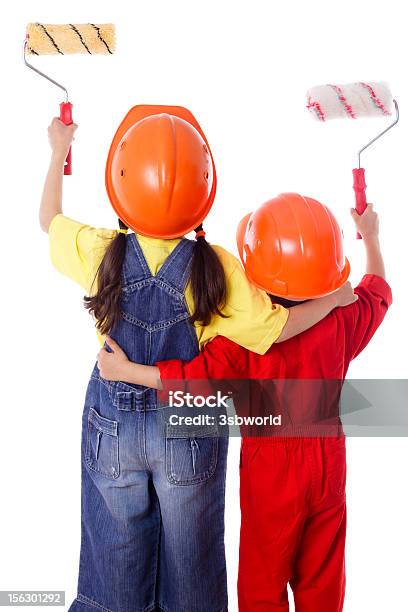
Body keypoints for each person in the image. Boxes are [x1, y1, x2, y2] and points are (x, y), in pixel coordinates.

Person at [42, 110, 356, 612]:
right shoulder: (219, 269)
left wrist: (59, 150)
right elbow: (277, 328)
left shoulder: (101, 251)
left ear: (123, 186)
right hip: (188, 426)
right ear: (203, 193)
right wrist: (331, 300)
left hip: (113, 424)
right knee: (192, 563)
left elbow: (49, 221)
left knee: (114, 555)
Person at [97, 194, 391, 611]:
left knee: (262, 578)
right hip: (330, 461)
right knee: (324, 574)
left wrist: (127, 372)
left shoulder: (246, 342)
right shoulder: (341, 317)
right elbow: (377, 293)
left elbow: (191, 381)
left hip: (272, 470)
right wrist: (371, 237)